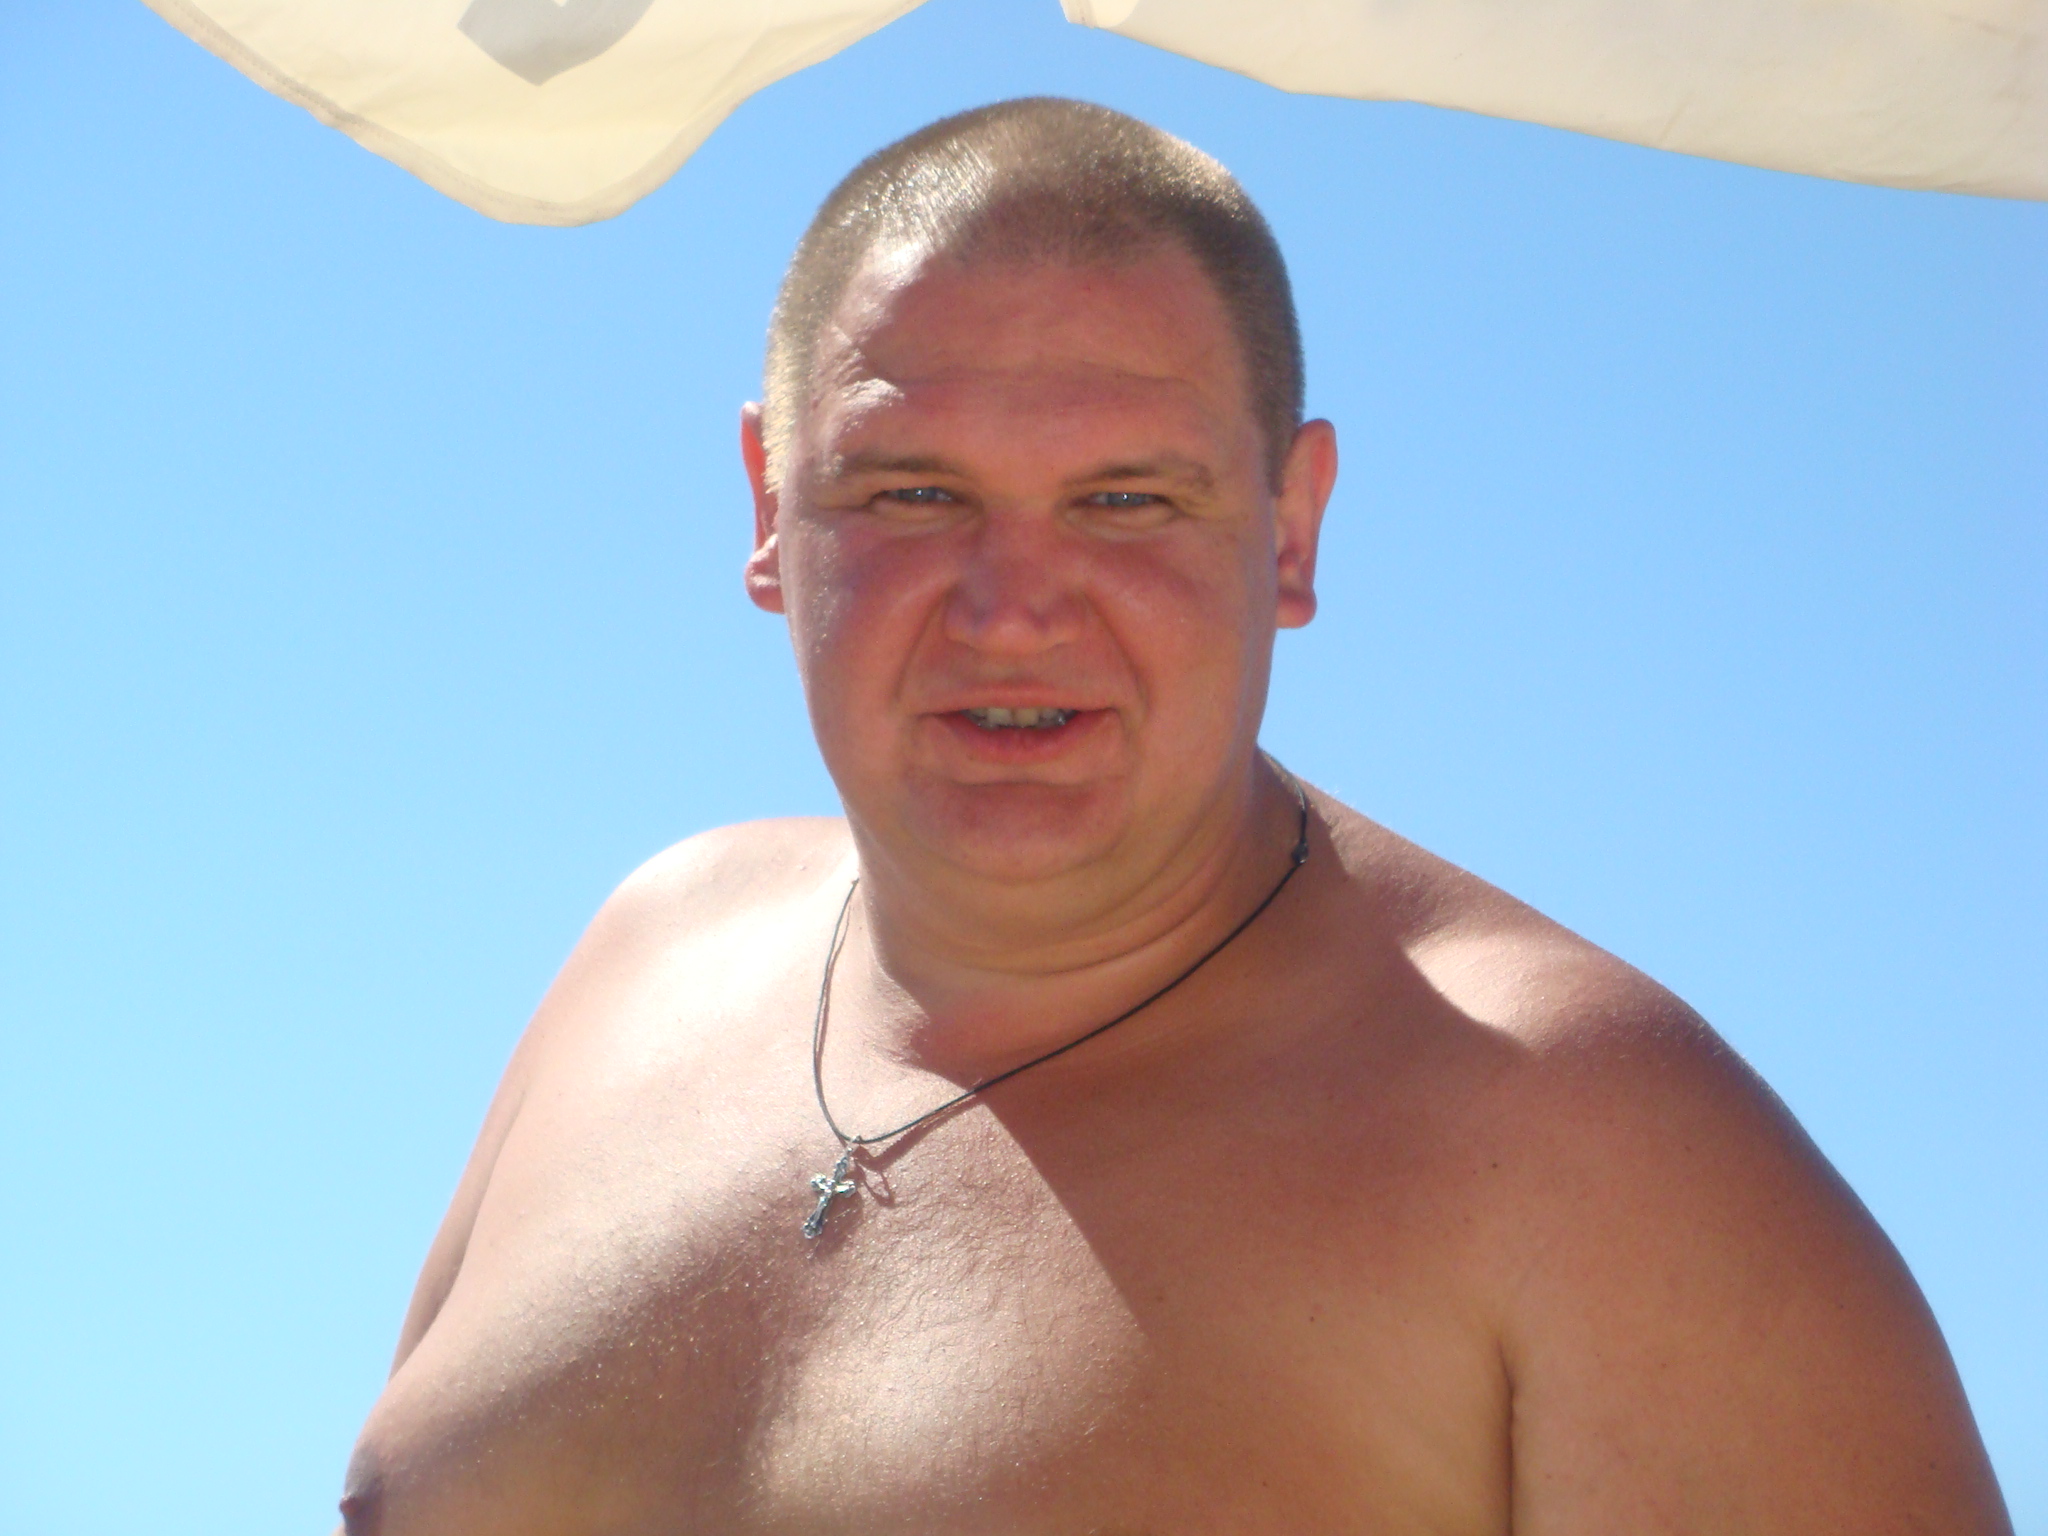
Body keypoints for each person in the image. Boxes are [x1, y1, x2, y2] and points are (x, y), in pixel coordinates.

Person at [337, 99, 2010, 1534]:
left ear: (1291, 532)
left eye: (1126, 499)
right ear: (772, 507)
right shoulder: (648, 958)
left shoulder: (1590, 1151)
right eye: (914, 492)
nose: (1010, 607)